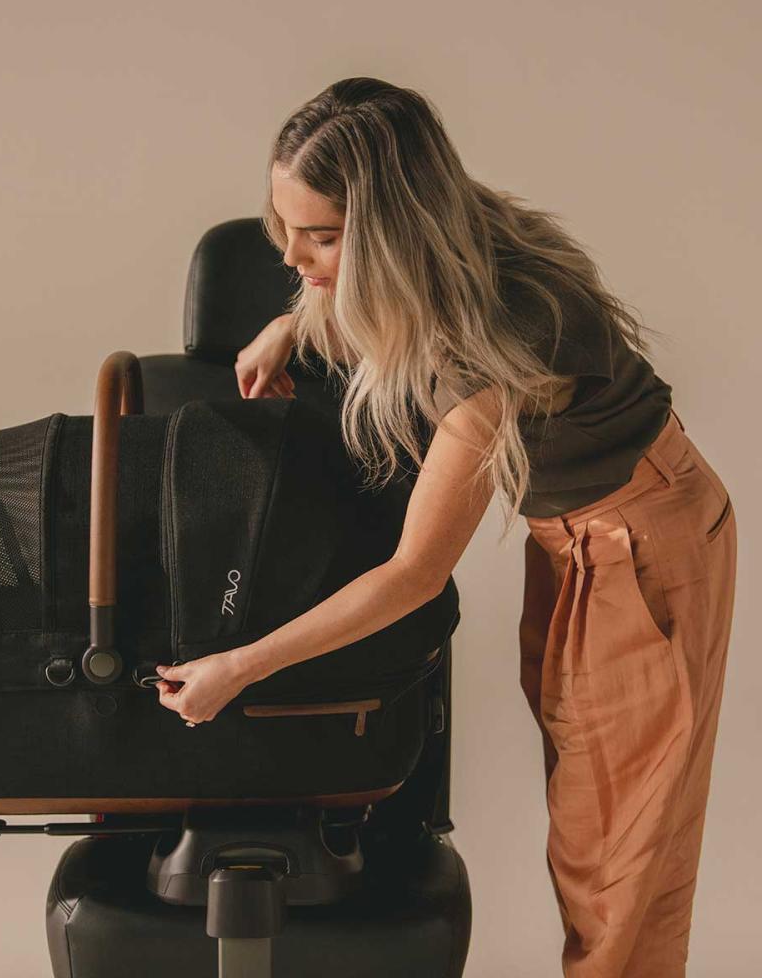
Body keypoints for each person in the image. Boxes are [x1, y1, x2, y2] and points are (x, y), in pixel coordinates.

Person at [153, 77, 737, 977]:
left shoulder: (489, 349)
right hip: (585, 534)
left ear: (393, 229)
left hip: (640, 542)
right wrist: (292, 324)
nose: (296, 257)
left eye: (323, 237)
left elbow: (414, 574)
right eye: (287, 229)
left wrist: (242, 665)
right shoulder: (456, 239)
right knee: (608, 830)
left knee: (617, 856)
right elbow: (381, 308)